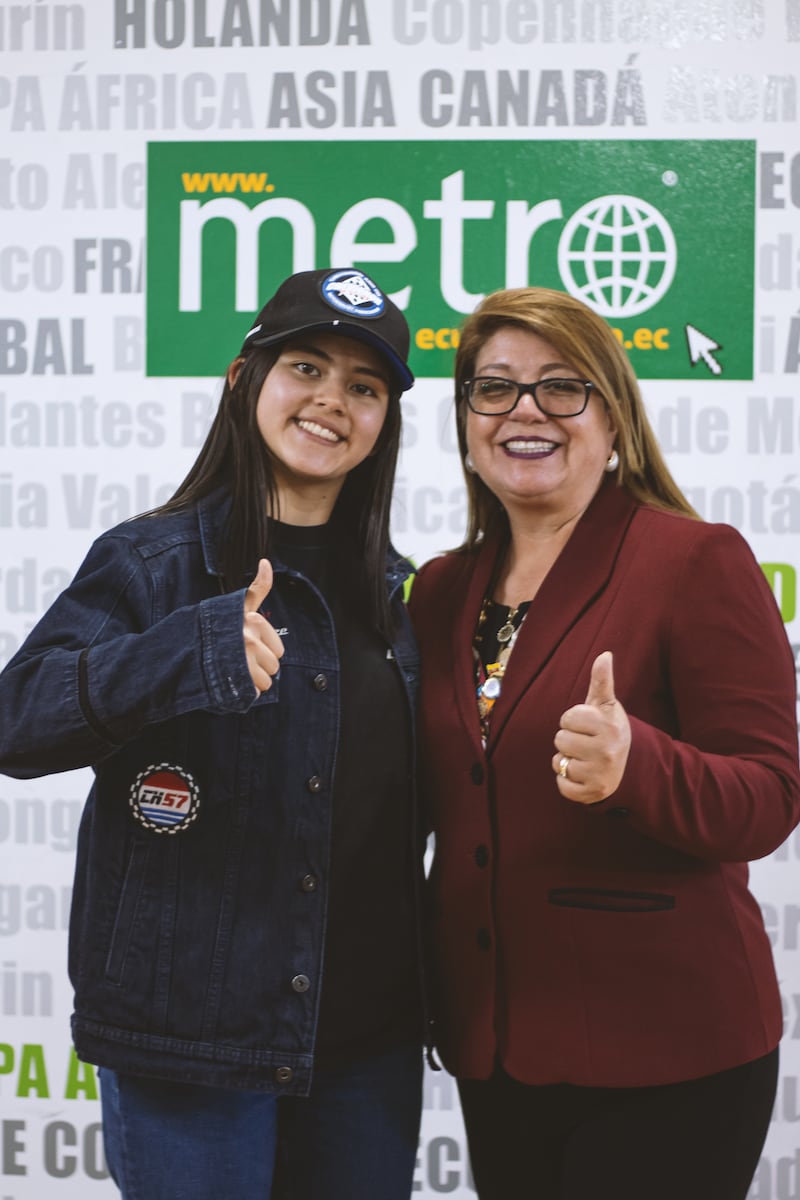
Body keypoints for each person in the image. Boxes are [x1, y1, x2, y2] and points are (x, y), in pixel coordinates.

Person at [0, 268, 426, 1200]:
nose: (331, 401)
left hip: (364, 1048)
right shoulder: (151, 562)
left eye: (364, 387)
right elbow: (17, 721)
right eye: (305, 366)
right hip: (187, 1045)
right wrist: (182, 652)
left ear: (386, 421)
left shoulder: (403, 598)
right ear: (244, 380)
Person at [408, 286, 800, 1200]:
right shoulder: (438, 590)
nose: (525, 411)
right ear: (466, 421)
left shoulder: (696, 560)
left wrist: (640, 765)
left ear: (613, 415)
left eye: (561, 386)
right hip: (496, 1042)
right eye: (493, 388)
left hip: (666, 1051)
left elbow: (772, 794)